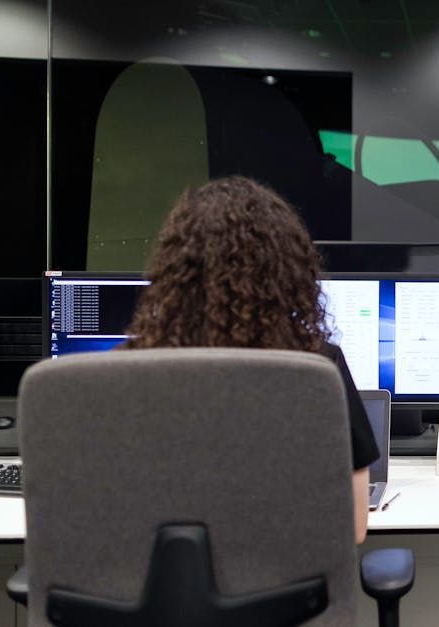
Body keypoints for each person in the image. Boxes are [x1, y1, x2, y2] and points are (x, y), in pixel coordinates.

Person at [123, 175, 378, 544]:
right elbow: (353, 528)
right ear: (286, 272)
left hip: (154, 596)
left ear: (173, 270)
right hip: (283, 597)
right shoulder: (317, 370)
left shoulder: (123, 375)